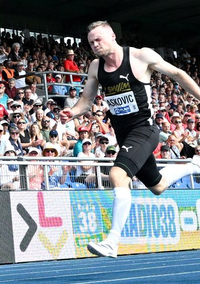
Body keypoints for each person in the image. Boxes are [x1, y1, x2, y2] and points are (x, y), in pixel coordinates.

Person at [63, 21, 200, 258]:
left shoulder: (140, 56)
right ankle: (195, 164)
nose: (95, 45)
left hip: (144, 129)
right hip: (124, 133)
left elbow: (178, 74)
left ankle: (112, 241)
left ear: (113, 36)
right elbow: (86, 100)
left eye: (99, 40)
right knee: (157, 186)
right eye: (91, 42)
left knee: (118, 175)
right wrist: (72, 112)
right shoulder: (96, 67)